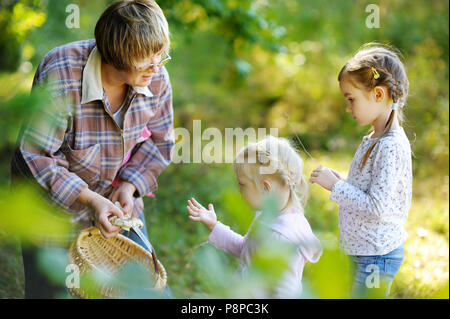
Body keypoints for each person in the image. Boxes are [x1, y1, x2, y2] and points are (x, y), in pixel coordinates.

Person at [10, 0, 174, 298]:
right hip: (50, 206)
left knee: (143, 291)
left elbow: (160, 142)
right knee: (53, 290)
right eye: (147, 60)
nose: (157, 67)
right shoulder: (61, 73)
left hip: (115, 202)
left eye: (161, 56)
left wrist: (129, 185)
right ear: (115, 55)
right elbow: (36, 155)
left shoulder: (156, 74)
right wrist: (90, 200)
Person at [309, 44, 412, 298]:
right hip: (362, 251)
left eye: (351, 99)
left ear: (378, 94)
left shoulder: (390, 146)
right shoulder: (373, 138)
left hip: (375, 255)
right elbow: (367, 190)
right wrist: (340, 180)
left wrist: (336, 187)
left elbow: (376, 207)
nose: (348, 108)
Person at [187, 136, 322, 298]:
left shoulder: (282, 237)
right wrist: (214, 226)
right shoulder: (268, 218)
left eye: (242, 184)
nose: (239, 190)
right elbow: (245, 249)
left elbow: (285, 293)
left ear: (266, 188)